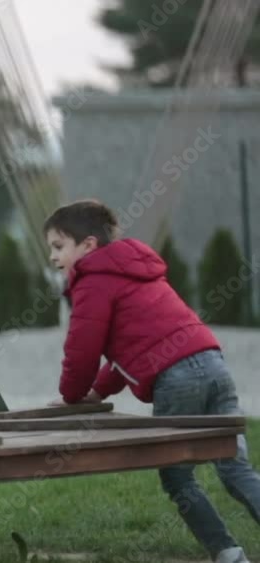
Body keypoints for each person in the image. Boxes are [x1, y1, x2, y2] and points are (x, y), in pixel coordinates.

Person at [44, 200, 260, 563]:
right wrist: (97, 391)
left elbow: (82, 349)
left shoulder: (93, 281)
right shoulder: (134, 270)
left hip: (178, 378)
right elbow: (140, 350)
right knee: (234, 466)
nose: (52, 256)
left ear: (89, 245)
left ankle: (228, 554)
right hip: (213, 364)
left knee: (177, 477)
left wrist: (71, 395)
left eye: (58, 246)